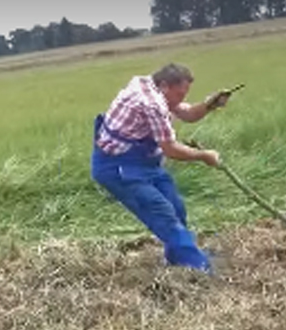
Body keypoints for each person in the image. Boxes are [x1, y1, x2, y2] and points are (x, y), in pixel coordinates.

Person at [90, 63, 236, 273]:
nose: (181, 99)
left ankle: (177, 260)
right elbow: (170, 149)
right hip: (118, 168)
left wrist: (209, 105)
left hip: (144, 163)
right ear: (165, 86)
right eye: (180, 93)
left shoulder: (151, 86)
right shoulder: (150, 103)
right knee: (163, 215)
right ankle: (198, 269)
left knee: (176, 208)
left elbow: (186, 113)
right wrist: (203, 155)